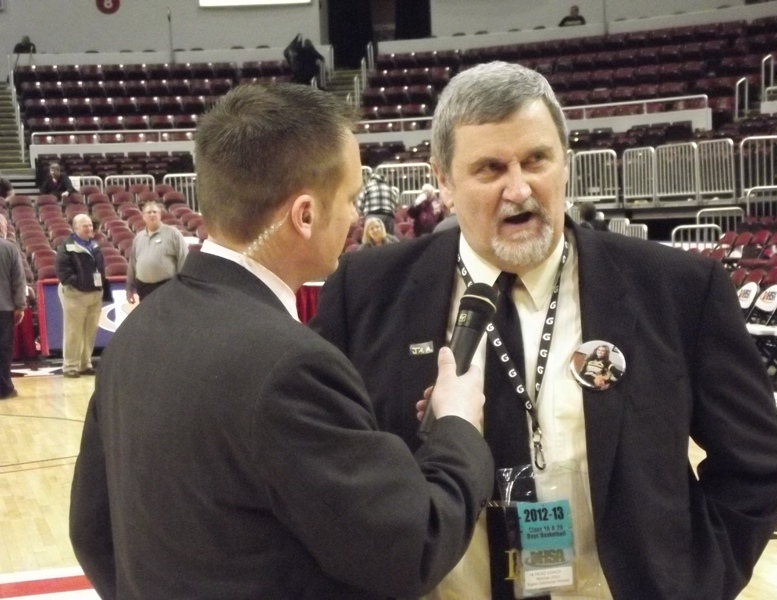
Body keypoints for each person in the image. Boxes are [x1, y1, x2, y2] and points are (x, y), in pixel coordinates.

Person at [312, 62, 777, 600]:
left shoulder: (676, 288)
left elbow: (759, 464)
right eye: (490, 169)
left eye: (536, 160)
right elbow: (324, 473)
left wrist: (697, 579)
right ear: (444, 181)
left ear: (564, 161)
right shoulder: (365, 292)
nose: (519, 188)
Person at [69, 83, 494, 600]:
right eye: (351, 198)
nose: (356, 216)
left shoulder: (135, 334)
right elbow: (412, 547)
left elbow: (92, 532)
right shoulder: (291, 367)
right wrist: (457, 427)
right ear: (305, 215)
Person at [55, 214, 110, 378]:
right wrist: (80, 283)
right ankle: (70, 366)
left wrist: (100, 287)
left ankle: (85, 363)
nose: (89, 228)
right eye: (85, 226)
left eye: (90, 225)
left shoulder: (94, 245)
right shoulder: (66, 246)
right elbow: (63, 272)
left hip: (94, 293)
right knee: (73, 331)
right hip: (75, 294)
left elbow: (101, 268)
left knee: (90, 331)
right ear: (76, 228)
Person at [125, 201, 188, 303]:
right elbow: (132, 264)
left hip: (166, 286)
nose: (152, 214)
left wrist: (182, 284)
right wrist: (129, 287)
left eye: (155, 212)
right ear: (143, 216)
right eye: (149, 212)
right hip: (143, 288)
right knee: (147, 314)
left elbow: (183, 258)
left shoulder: (173, 233)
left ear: (160, 215)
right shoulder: (139, 237)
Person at [0, 215, 27, 400]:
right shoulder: (9, 248)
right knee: (3, 349)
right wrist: (20, 305)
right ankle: (4, 389)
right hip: (4, 307)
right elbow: (18, 279)